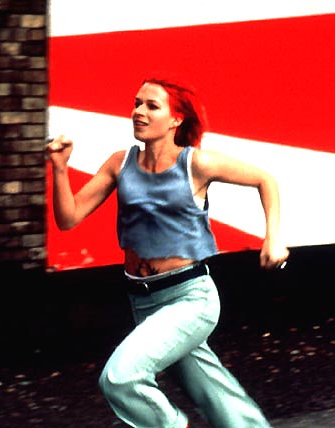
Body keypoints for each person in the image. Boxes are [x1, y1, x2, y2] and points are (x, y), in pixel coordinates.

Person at [46, 75, 289, 428]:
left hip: (191, 298)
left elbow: (265, 180)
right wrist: (59, 167)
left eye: (151, 106)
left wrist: (273, 238)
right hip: (144, 301)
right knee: (215, 394)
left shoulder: (196, 164)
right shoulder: (120, 163)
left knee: (120, 378)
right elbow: (68, 218)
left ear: (176, 119)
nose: (139, 112)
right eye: (137, 104)